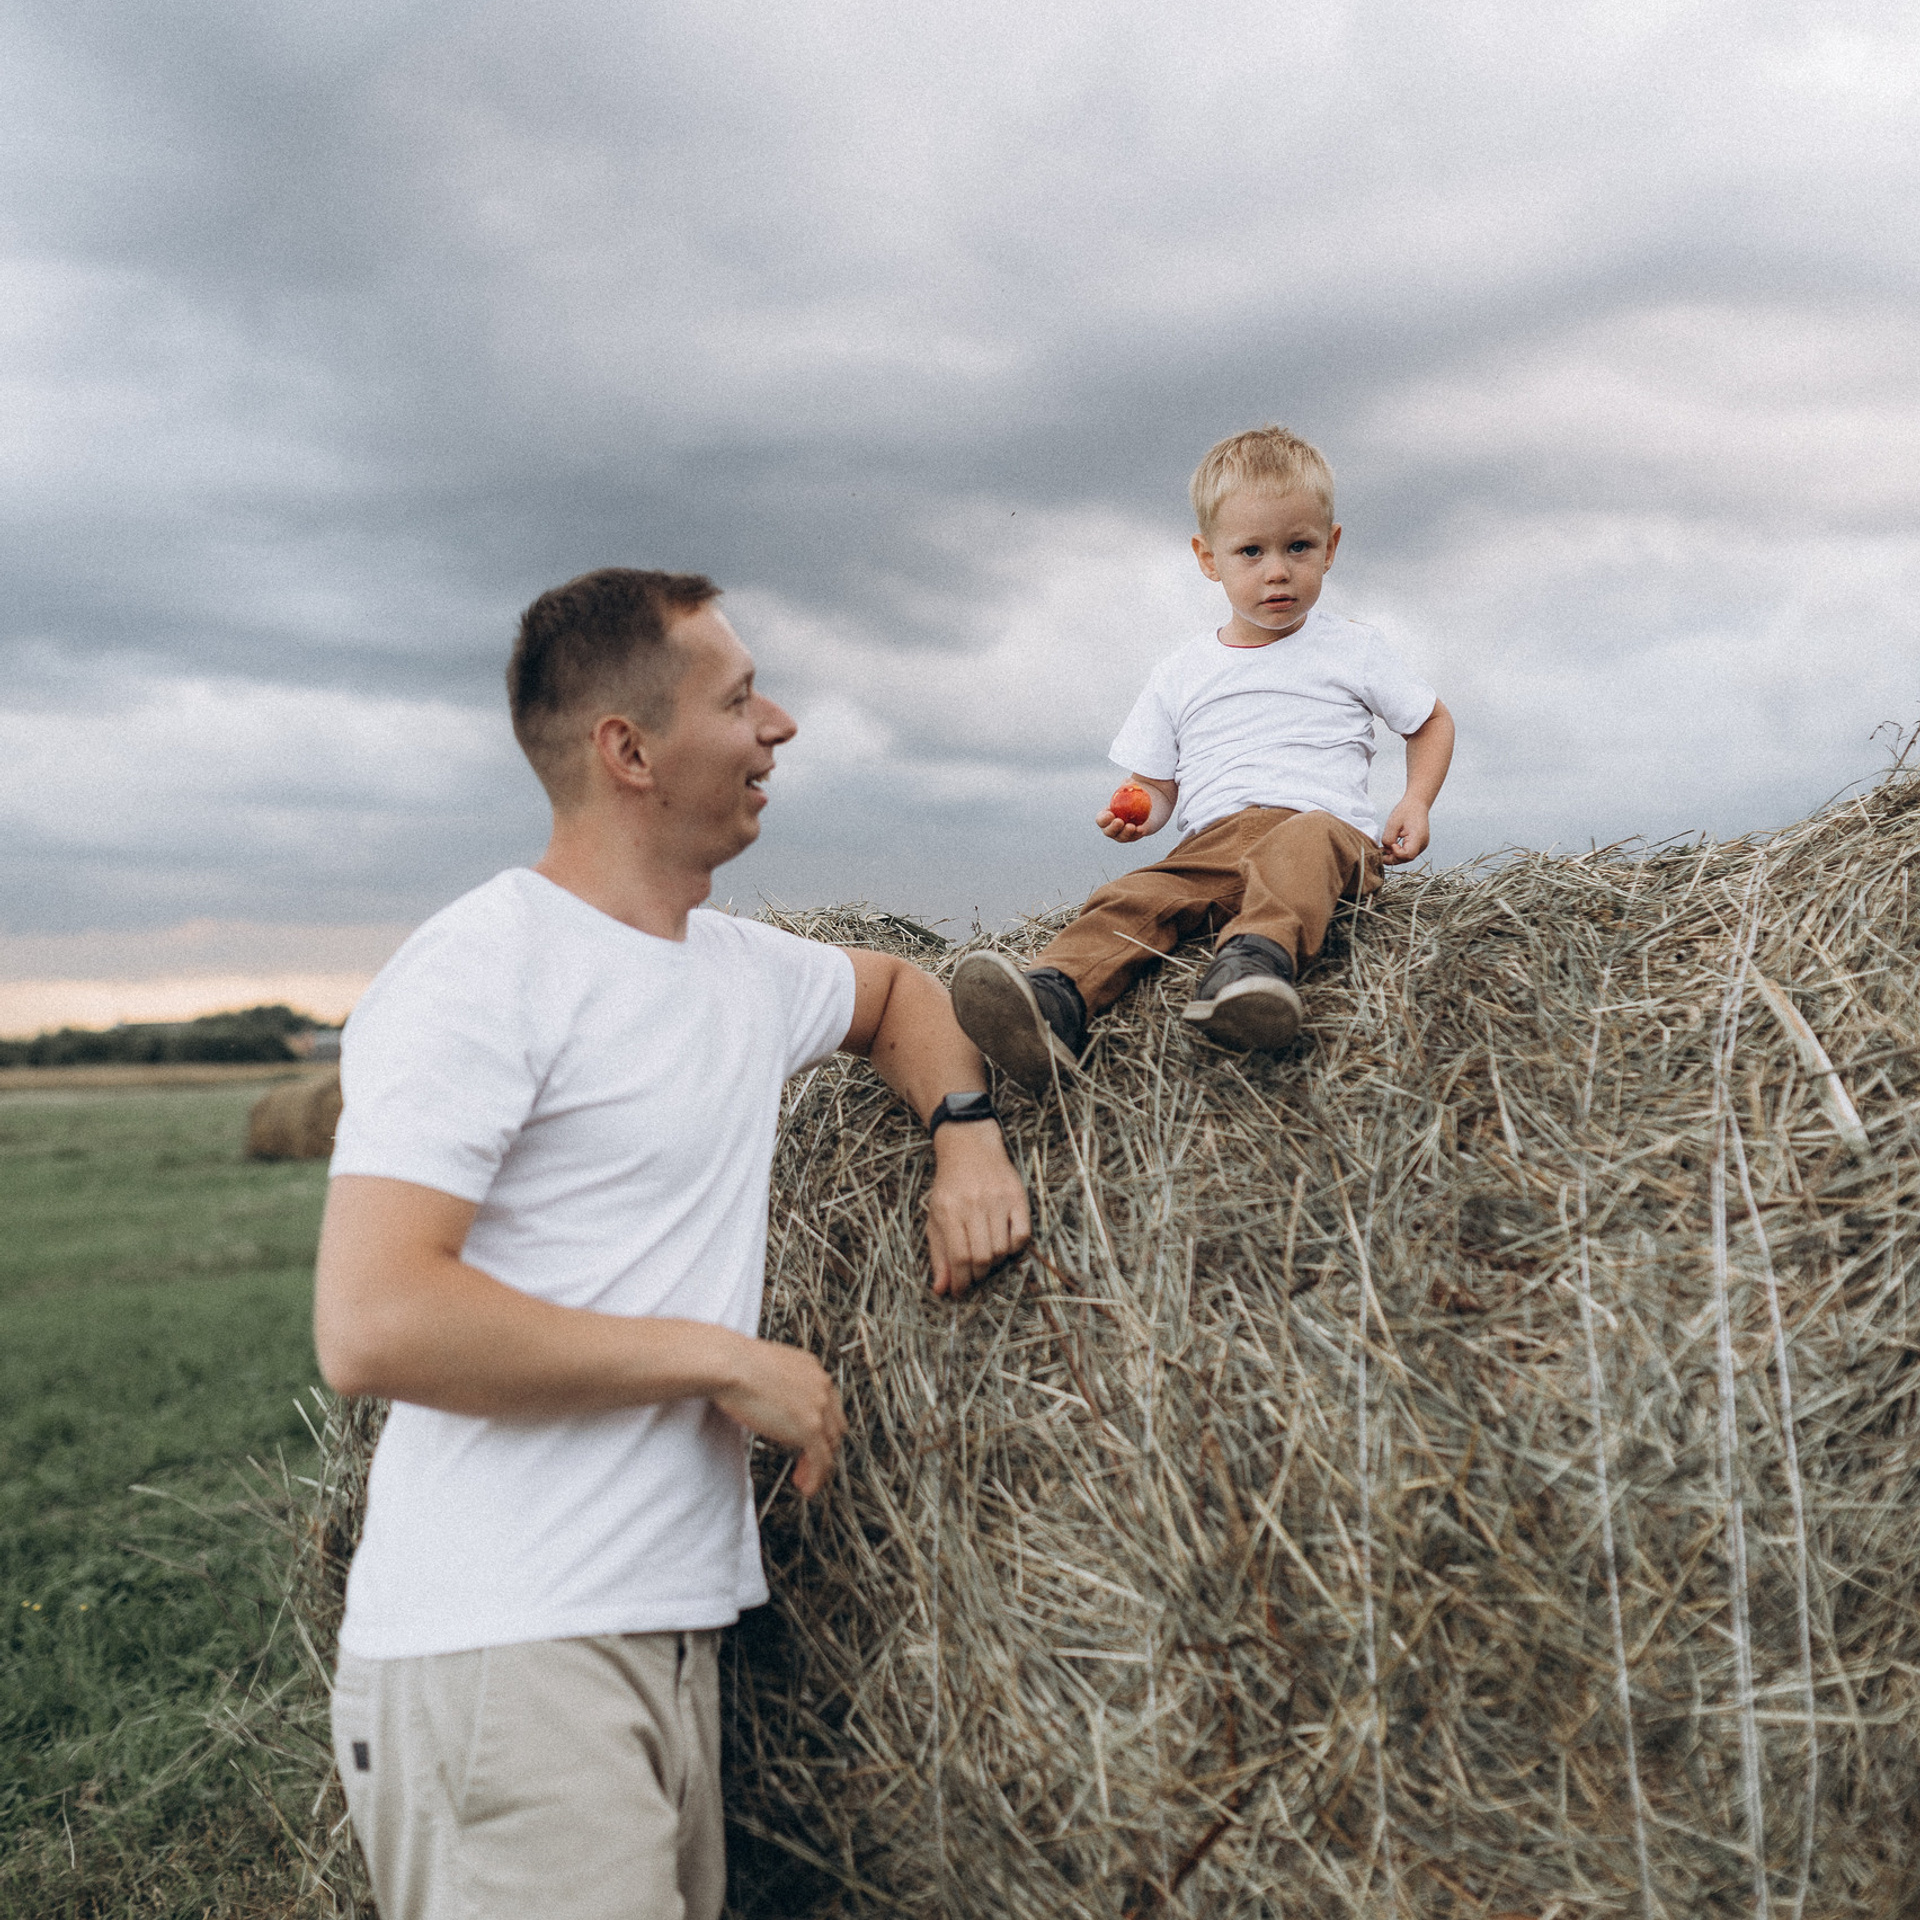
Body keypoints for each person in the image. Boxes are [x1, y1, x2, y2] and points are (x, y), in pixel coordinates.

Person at [314, 568, 1031, 1920]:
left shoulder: (735, 972)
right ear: (627, 751)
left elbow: (899, 994)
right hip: (505, 1653)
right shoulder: (486, 968)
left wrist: (967, 1133)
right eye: (742, 699)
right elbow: (373, 1321)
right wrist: (718, 1358)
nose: (783, 729)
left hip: (657, 1635)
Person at [952, 425, 1454, 1090]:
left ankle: (1251, 969)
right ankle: (1054, 1000)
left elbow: (1431, 721)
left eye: (1298, 547)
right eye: (1251, 551)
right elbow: (1156, 785)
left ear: (1330, 548)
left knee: (1301, 842)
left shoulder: (1353, 648)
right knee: (1134, 895)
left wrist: (1415, 799)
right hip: (1215, 845)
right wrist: (1142, 810)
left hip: (1325, 839)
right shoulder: (1181, 672)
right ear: (1208, 558)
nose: (1278, 569)